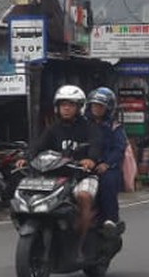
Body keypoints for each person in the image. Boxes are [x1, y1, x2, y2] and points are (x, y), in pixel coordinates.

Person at [25, 85, 103, 243]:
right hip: (57, 175)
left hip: (82, 175)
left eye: (70, 104)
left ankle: (80, 242)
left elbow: (96, 145)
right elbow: (38, 145)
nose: (66, 108)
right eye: (62, 105)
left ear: (79, 107)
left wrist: (90, 159)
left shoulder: (89, 128)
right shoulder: (53, 128)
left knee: (83, 196)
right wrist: (25, 158)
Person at [86, 87, 126, 236]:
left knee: (107, 182)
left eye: (101, 106)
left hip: (107, 167)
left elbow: (119, 148)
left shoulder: (114, 127)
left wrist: (106, 164)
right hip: (85, 164)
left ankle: (111, 220)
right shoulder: (83, 124)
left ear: (108, 108)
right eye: (94, 105)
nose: (96, 109)